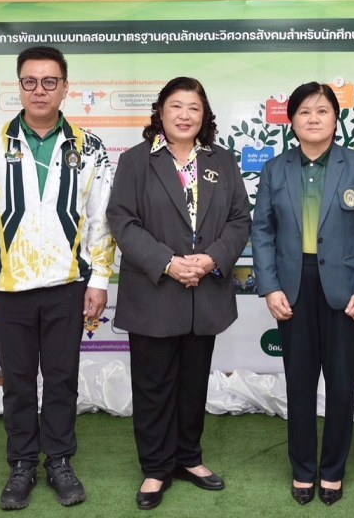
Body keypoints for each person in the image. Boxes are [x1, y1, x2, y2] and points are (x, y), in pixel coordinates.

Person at [0, 46, 115, 510]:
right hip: (8, 288)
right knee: (18, 382)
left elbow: (101, 220)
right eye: (30, 81)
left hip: (68, 286)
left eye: (50, 82)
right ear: (19, 86)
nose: (40, 90)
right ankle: (23, 464)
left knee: (63, 379)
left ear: (66, 87)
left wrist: (99, 280)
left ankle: (60, 461)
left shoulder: (90, 147)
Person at [106, 76, 250, 510]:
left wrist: (210, 259)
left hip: (204, 291)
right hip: (154, 291)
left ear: (204, 115)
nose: (185, 115)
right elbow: (122, 220)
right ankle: (155, 468)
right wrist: (168, 262)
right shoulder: (136, 161)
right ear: (160, 112)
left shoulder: (221, 160)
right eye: (176, 106)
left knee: (193, 383)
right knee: (153, 385)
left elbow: (239, 219)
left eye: (194, 108)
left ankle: (188, 458)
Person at [251, 82, 354, 506]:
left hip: (346, 289)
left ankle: (332, 470)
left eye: (323, 110)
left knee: (342, 385)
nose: (313, 118)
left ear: (336, 119)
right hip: (293, 286)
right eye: (304, 111)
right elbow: (262, 232)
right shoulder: (275, 169)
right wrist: (270, 286)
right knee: (299, 384)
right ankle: (303, 469)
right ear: (291, 120)